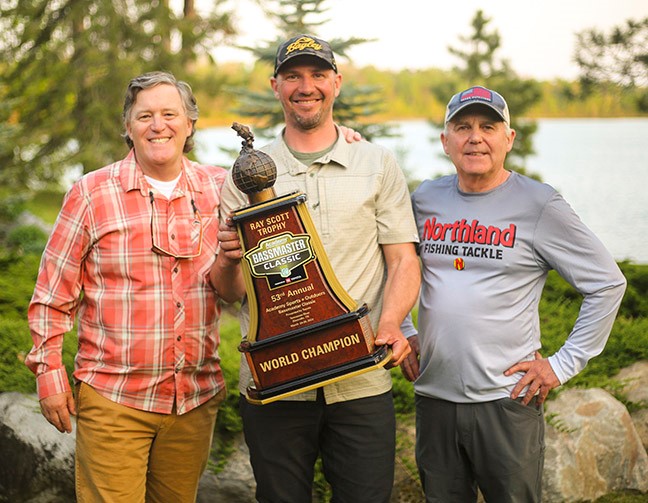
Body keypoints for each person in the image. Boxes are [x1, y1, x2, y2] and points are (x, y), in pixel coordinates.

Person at [211, 34, 421, 502]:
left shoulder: (376, 163)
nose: (307, 86)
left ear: (337, 83)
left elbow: (404, 259)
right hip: (276, 383)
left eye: (318, 74)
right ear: (275, 85)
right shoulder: (245, 175)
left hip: (361, 377)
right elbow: (230, 292)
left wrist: (390, 325)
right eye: (293, 76)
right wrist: (226, 261)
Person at [400, 85, 627, 503]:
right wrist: (402, 327)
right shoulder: (425, 199)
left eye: (489, 126)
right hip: (434, 398)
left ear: (509, 138)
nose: (475, 137)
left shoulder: (539, 204)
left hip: (506, 402)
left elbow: (608, 283)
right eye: (463, 126)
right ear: (445, 140)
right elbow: (394, 267)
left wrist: (561, 365)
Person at [25, 71, 229, 502]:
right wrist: (49, 374)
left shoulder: (220, 188)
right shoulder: (91, 193)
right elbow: (52, 293)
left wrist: (344, 136)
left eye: (170, 114)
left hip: (193, 400)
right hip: (114, 399)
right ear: (128, 126)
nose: (159, 125)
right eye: (145, 116)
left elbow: (282, 190)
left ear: (190, 123)